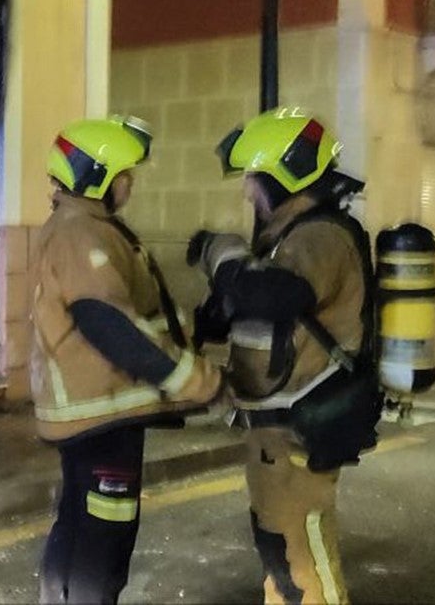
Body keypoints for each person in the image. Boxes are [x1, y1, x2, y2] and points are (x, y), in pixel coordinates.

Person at [188, 107, 383, 605]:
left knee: (303, 555)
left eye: (254, 178)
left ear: (284, 176)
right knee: (281, 550)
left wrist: (220, 251)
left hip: (301, 431)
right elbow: (258, 310)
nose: (247, 191)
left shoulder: (322, 236)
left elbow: (274, 296)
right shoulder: (288, 238)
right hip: (277, 431)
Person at [32, 115, 225, 605]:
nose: (130, 184)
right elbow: (110, 324)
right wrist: (201, 382)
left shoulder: (86, 228)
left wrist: (197, 329)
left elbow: (137, 314)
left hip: (96, 413)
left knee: (80, 523)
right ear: (98, 176)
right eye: (123, 174)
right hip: (102, 414)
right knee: (103, 538)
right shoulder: (82, 234)